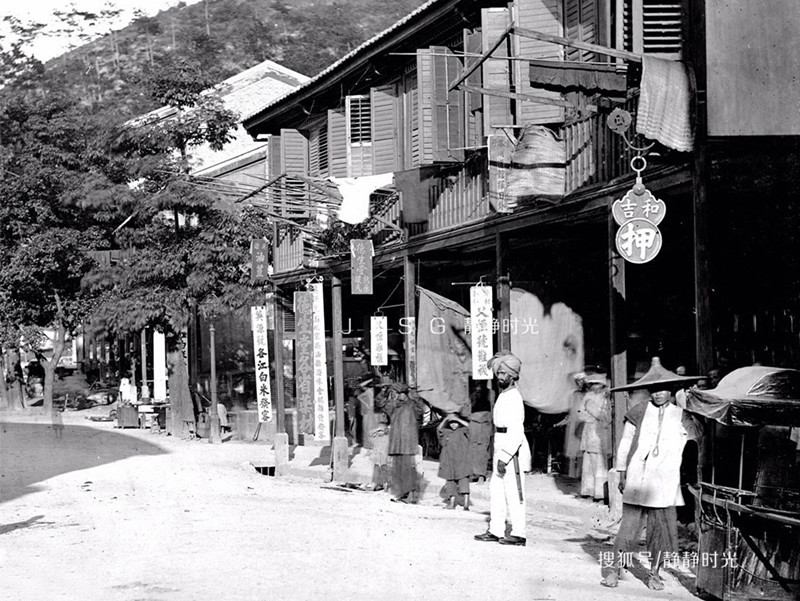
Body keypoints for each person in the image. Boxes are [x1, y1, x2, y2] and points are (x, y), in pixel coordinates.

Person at [600, 357, 703, 591]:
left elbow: (697, 433)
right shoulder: (638, 411)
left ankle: (654, 573)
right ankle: (614, 570)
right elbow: (626, 442)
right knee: (629, 527)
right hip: (638, 477)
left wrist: (691, 402)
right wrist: (622, 471)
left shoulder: (680, 415)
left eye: (663, 389)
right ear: (649, 391)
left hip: (664, 481)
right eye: (654, 390)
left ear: (672, 390)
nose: (658, 394)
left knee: (660, 530)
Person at [474, 351, 531, 546]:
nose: (500, 377)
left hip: (512, 452)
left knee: (514, 493)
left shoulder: (514, 397)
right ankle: (496, 529)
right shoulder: (503, 396)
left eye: (504, 374)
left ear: (513, 376)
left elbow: (516, 431)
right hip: (500, 445)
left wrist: (504, 457)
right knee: (497, 492)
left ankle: (519, 533)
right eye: (498, 373)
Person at [377, 382, 425, 504]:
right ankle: (401, 493)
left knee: (408, 469)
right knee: (397, 470)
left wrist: (415, 394)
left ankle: (411, 495)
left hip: (408, 443)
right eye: (397, 394)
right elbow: (381, 403)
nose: (399, 396)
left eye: (401, 394)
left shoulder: (413, 405)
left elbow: (421, 410)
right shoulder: (394, 406)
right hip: (396, 442)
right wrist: (384, 392)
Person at [576, 372, 611, 501]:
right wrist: (591, 414)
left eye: (597, 384)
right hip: (590, 430)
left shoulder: (606, 397)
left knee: (600, 463)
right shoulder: (588, 397)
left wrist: (595, 414)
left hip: (601, 432)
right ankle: (588, 491)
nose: (594, 387)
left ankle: (600, 492)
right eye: (591, 384)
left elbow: (605, 416)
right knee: (589, 463)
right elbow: (580, 414)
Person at [437, 414, 471, 510]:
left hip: (462, 460)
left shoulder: (463, 431)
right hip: (449, 460)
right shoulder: (446, 432)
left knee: (463, 481)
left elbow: (471, 427)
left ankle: (466, 504)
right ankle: (451, 504)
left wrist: (458, 419)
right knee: (450, 482)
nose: (454, 425)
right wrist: (446, 419)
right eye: (451, 423)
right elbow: (439, 429)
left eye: (455, 423)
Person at [468, 380, 493, 482]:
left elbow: (492, 407)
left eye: (480, 385)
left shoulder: (491, 393)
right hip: (474, 422)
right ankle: (473, 473)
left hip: (485, 423)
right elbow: (469, 407)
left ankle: (481, 474)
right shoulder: (473, 395)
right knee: (472, 448)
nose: (478, 388)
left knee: (483, 448)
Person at [366, 412, 390, 491]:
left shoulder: (388, 435)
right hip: (377, 454)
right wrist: (377, 430)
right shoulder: (375, 436)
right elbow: (370, 435)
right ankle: (375, 484)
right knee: (376, 468)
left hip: (384, 455)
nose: (380, 432)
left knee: (384, 468)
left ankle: (385, 484)